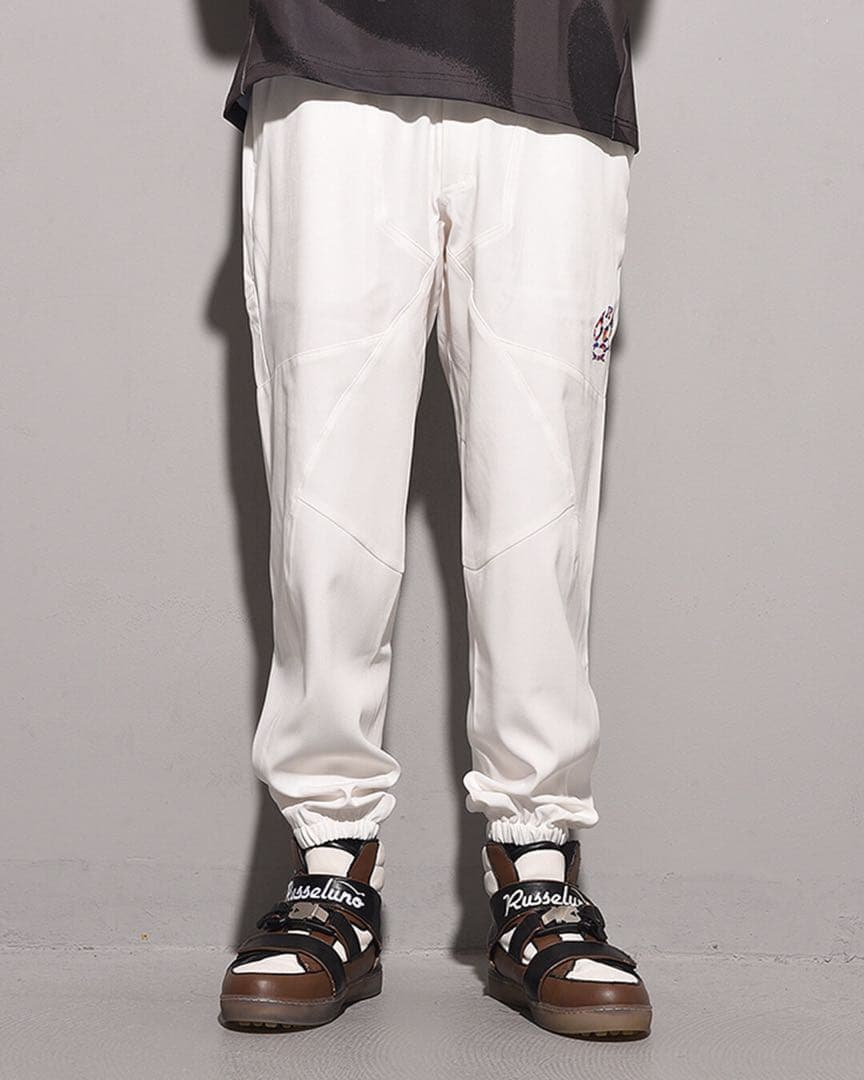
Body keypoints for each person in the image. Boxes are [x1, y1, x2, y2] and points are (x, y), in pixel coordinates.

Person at [217, 1, 652, 1038]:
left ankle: (535, 865)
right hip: (325, 54)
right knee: (323, 507)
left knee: (540, 508)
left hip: (549, 60)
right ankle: (331, 865)